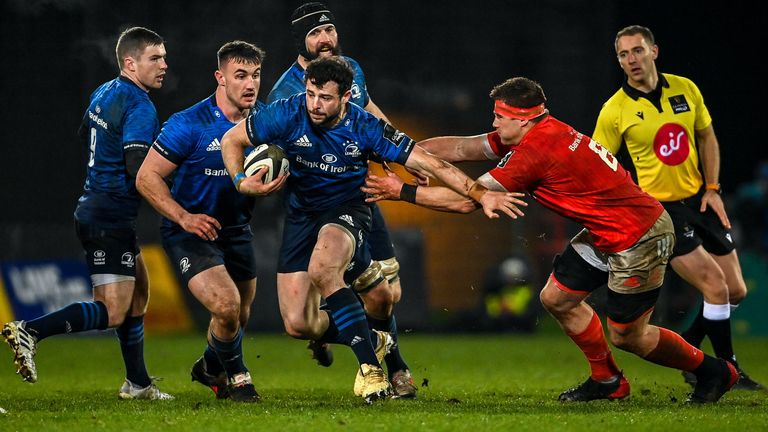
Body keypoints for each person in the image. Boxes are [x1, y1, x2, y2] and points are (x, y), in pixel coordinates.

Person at [363, 77, 739, 403]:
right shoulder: (540, 130)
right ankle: (607, 380)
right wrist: (410, 154)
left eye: (499, 116)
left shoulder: (536, 152)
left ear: (523, 119)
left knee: (629, 337)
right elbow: (463, 148)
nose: (493, 121)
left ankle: (714, 371)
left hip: (638, 236)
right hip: (608, 230)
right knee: (556, 298)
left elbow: (466, 201)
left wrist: (402, 191)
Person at [220, 56, 513, 403]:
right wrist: (240, 181)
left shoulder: (366, 127)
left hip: (348, 211)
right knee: (299, 324)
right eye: (311, 94)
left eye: (325, 98)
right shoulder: (287, 111)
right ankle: (378, 340)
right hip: (300, 218)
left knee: (325, 269)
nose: (315, 104)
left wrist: (480, 194)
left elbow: (432, 163)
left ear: (346, 97)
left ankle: (371, 373)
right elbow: (231, 140)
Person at [1, 27, 172, 400]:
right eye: (154, 58)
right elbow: (137, 166)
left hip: (100, 208)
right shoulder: (140, 105)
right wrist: (174, 183)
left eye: (163, 57)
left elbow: (85, 134)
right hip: (108, 214)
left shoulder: (105, 91)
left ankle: (138, 383)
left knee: (139, 294)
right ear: (131, 62)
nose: (163, 65)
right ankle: (31, 330)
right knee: (112, 311)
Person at [592, 25, 762, 390]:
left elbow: (707, 136)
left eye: (637, 51)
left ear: (654, 51)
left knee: (736, 290)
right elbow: (598, 165)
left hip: (699, 200)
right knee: (716, 288)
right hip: (661, 213)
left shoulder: (685, 88)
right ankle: (727, 370)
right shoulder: (615, 109)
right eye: (623, 55)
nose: (631, 60)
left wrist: (714, 188)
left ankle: (691, 347)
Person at [267, 2, 416, 398]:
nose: (325, 39)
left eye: (329, 29)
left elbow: (370, 115)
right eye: (315, 33)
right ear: (300, 41)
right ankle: (373, 351)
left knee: (390, 292)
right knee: (301, 320)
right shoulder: (284, 94)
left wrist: (398, 153)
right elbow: (270, 153)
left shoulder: (349, 70)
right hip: (313, 209)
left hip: (356, 197)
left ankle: (393, 367)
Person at [136, 41, 277, 403]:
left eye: (256, 76)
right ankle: (239, 378)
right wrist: (184, 217)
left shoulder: (264, 122)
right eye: (240, 76)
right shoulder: (188, 124)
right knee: (226, 307)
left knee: (238, 317)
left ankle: (209, 367)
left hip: (236, 231)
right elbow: (146, 177)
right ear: (220, 78)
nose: (250, 84)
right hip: (191, 232)